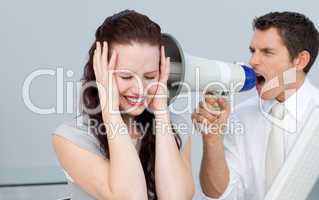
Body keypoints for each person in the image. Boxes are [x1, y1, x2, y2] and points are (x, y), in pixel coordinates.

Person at [52, 10, 194, 200]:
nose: (140, 88)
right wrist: (110, 112)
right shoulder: (71, 137)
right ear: (100, 73)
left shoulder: (176, 128)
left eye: (150, 76)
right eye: (126, 76)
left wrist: (161, 112)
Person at [192, 11, 319, 199]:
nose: (253, 62)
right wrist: (212, 139)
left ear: (300, 61)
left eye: (267, 52)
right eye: (253, 51)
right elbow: (219, 194)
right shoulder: (241, 116)